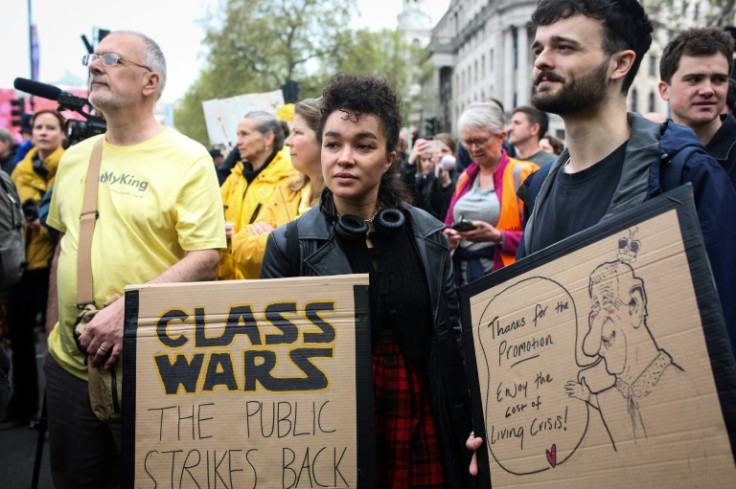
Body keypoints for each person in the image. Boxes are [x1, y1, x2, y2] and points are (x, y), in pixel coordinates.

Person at [261, 73, 475, 488]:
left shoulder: (429, 235)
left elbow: (452, 339)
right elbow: (273, 365)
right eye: (333, 143)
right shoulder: (288, 245)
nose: (345, 158)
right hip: (331, 423)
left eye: (363, 145)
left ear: (390, 157)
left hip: (420, 418)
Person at [45, 31, 226, 488]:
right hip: (69, 366)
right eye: (93, 57)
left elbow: (207, 257)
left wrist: (129, 310)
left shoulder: (188, 158)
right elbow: (63, 246)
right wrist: (53, 333)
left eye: (110, 58)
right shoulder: (75, 157)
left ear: (150, 82)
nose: (94, 66)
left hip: (154, 367)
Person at [517, 0, 736, 357]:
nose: (542, 60)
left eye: (565, 47)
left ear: (620, 63)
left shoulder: (687, 175)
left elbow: (722, 329)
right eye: (539, 48)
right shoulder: (538, 188)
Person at [2, 109, 65, 427]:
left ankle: (53, 413)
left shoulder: (72, 165)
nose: (43, 132)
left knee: (56, 340)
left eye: (50, 127)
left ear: (62, 133)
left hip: (56, 264)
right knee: (20, 338)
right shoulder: (18, 170)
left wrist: (48, 223)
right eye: (38, 127)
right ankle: (23, 406)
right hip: (24, 264)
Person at [444, 101, 538, 286]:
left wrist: (498, 237)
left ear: (501, 137)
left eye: (480, 141)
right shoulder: (465, 177)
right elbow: (448, 224)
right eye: (467, 142)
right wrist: (448, 238)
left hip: (506, 279)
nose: (474, 149)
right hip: (461, 279)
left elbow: (541, 235)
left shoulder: (525, 173)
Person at [230, 98, 325, 278]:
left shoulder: (343, 196)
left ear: (325, 140)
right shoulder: (285, 189)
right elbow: (240, 246)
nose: (288, 141)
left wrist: (274, 237)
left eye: (297, 132)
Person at [658, 26, 736, 188]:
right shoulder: (645, 153)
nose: (708, 90)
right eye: (694, 79)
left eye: (719, 79)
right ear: (665, 90)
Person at [219, 111, 292, 280]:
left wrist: (239, 234)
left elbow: (286, 234)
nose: (238, 142)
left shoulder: (289, 179)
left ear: (268, 138)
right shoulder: (233, 179)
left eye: (244, 134)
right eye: (238, 135)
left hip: (265, 283)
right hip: (227, 283)